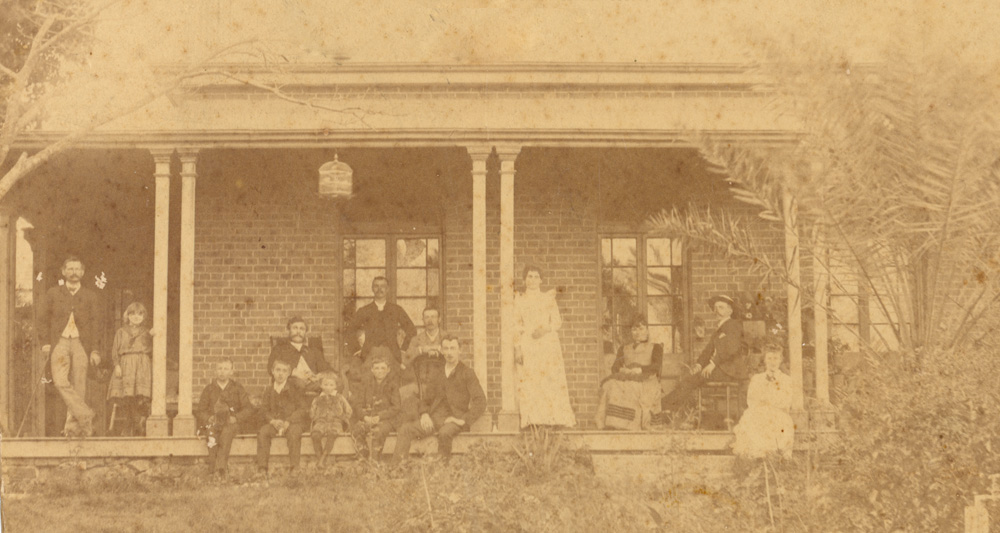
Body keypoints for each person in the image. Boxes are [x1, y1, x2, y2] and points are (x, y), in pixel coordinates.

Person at [391, 335, 486, 465]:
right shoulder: (438, 373)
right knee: (405, 429)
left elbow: (481, 401)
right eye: (446, 348)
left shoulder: (467, 373)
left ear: (460, 350)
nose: (449, 352)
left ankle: (442, 471)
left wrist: (463, 420)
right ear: (441, 350)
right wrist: (424, 414)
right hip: (434, 418)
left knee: (444, 433)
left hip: (454, 420)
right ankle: (397, 469)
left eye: (453, 348)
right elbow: (426, 399)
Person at [36, 256, 103, 438]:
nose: (74, 273)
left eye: (77, 269)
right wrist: (45, 343)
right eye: (70, 269)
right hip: (60, 342)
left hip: (82, 343)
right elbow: (41, 320)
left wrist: (95, 350)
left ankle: (73, 429)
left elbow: (97, 324)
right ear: (64, 271)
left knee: (79, 384)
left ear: (82, 272)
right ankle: (85, 415)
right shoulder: (53, 294)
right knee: (59, 381)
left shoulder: (90, 296)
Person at [660, 294, 748, 416]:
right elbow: (708, 351)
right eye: (715, 308)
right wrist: (699, 365)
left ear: (730, 311)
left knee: (690, 381)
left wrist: (712, 364)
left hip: (731, 371)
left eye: (721, 307)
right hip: (723, 370)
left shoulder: (733, 325)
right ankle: (670, 409)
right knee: (689, 377)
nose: (717, 311)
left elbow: (730, 349)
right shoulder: (720, 329)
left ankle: (663, 408)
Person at [513, 265, 576, 428]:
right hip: (529, 343)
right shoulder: (519, 299)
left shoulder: (548, 298)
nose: (532, 280)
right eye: (529, 276)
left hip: (547, 343)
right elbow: (516, 325)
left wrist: (543, 330)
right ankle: (533, 420)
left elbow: (556, 322)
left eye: (535, 277)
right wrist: (518, 348)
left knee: (549, 379)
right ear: (524, 279)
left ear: (541, 280)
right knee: (531, 380)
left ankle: (552, 419)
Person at [595, 316, 663, 430]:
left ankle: (630, 425)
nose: (637, 332)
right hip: (628, 377)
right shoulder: (624, 348)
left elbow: (656, 367)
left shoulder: (655, 347)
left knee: (632, 387)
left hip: (647, 380)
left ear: (647, 330)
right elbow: (615, 368)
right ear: (631, 332)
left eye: (641, 329)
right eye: (634, 329)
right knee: (610, 384)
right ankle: (612, 423)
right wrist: (624, 370)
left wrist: (640, 370)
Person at [732, 345, 795, 458]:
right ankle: (758, 456)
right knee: (753, 420)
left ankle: (773, 456)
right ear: (765, 360)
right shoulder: (757, 379)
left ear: (780, 360)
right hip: (759, 412)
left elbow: (786, 401)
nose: (772, 362)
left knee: (779, 424)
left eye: (775, 358)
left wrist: (770, 402)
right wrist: (763, 403)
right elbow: (751, 400)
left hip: (778, 413)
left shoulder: (786, 380)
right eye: (769, 358)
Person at [195, 358, 255, 477]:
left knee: (226, 432)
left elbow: (248, 409)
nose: (222, 372)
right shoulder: (209, 389)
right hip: (215, 423)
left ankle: (221, 469)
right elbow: (200, 410)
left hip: (232, 424)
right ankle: (212, 469)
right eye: (220, 368)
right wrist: (209, 418)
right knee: (211, 433)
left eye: (226, 369)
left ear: (231, 371)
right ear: (215, 371)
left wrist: (236, 417)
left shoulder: (237, 388)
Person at [350, 276, 417, 370]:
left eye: (383, 286)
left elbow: (411, 330)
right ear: (372, 289)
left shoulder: (396, 310)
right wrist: (356, 349)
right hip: (369, 353)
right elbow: (350, 330)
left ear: (387, 289)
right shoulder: (364, 310)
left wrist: (403, 349)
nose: (379, 289)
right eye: (376, 286)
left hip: (392, 353)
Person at [107, 302, 153, 436]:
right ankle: (130, 424)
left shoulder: (147, 332)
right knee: (127, 396)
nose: (136, 317)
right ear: (127, 315)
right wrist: (117, 365)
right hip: (125, 364)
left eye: (140, 314)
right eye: (132, 314)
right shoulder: (121, 332)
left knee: (139, 396)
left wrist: (153, 335)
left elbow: (153, 347)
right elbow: (115, 350)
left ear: (144, 316)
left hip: (141, 365)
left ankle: (138, 424)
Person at [256, 359, 309, 474]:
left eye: (284, 371)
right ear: (272, 371)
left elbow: (302, 409)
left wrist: (289, 421)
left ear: (288, 373)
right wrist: (272, 421)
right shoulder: (269, 390)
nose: (280, 374)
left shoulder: (295, 389)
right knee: (263, 432)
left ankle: (294, 467)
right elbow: (263, 410)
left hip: (292, 423)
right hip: (275, 423)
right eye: (278, 370)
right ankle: (262, 468)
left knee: (294, 433)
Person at [350, 357, 400, 459]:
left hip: (386, 419)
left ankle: (376, 461)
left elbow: (396, 407)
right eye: (376, 368)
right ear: (372, 370)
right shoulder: (365, 384)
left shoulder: (392, 385)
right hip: (369, 417)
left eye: (383, 368)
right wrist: (365, 417)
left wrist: (379, 417)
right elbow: (357, 405)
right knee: (357, 429)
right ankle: (364, 457)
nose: (380, 371)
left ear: (388, 370)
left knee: (378, 432)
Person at [267, 316, 331, 394]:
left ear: (305, 332)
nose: (298, 332)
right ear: (289, 330)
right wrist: (294, 372)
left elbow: (326, 368)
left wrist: (318, 376)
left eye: (301, 329)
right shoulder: (279, 349)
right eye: (295, 328)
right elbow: (270, 367)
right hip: (292, 383)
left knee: (335, 382)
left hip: (313, 383)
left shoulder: (313, 350)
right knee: (298, 384)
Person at [310, 373, 353, 467]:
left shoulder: (340, 397)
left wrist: (343, 419)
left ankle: (323, 458)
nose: (328, 387)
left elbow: (348, 410)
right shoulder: (317, 399)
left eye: (331, 385)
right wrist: (316, 418)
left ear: (336, 386)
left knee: (332, 434)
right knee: (315, 435)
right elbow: (312, 412)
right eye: (325, 384)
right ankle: (320, 458)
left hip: (335, 422)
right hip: (321, 422)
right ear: (321, 385)